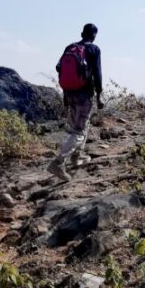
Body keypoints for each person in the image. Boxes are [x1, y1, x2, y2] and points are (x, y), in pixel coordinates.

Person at [47, 23, 103, 182]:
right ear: (94, 36)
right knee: (79, 130)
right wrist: (99, 95)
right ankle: (58, 163)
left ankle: (76, 158)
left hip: (69, 93)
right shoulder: (94, 49)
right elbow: (98, 73)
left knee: (78, 127)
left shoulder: (70, 47)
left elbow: (59, 67)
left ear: (81, 33)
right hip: (84, 94)